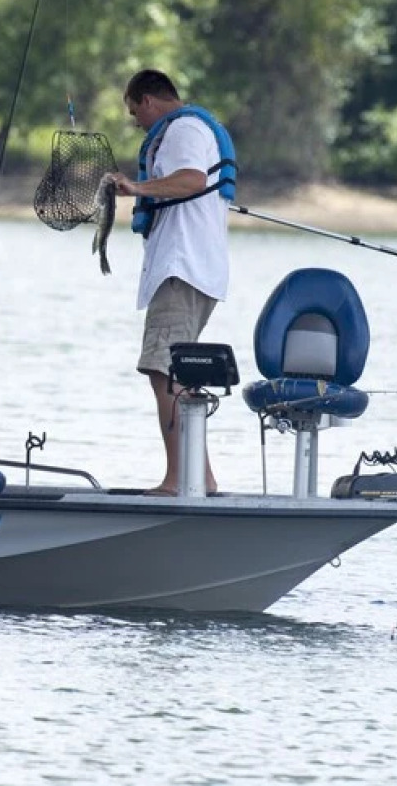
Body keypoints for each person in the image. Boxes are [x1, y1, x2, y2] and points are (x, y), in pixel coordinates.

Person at [108, 70, 236, 495]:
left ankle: (179, 478)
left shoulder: (182, 129)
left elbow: (193, 180)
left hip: (182, 269)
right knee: (178, 372)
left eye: (133, 112)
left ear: (147, 100)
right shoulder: (190, 129)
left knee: (161, 371)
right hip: (195, 269)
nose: (135, 123)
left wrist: (136, 186)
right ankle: (202, 478)